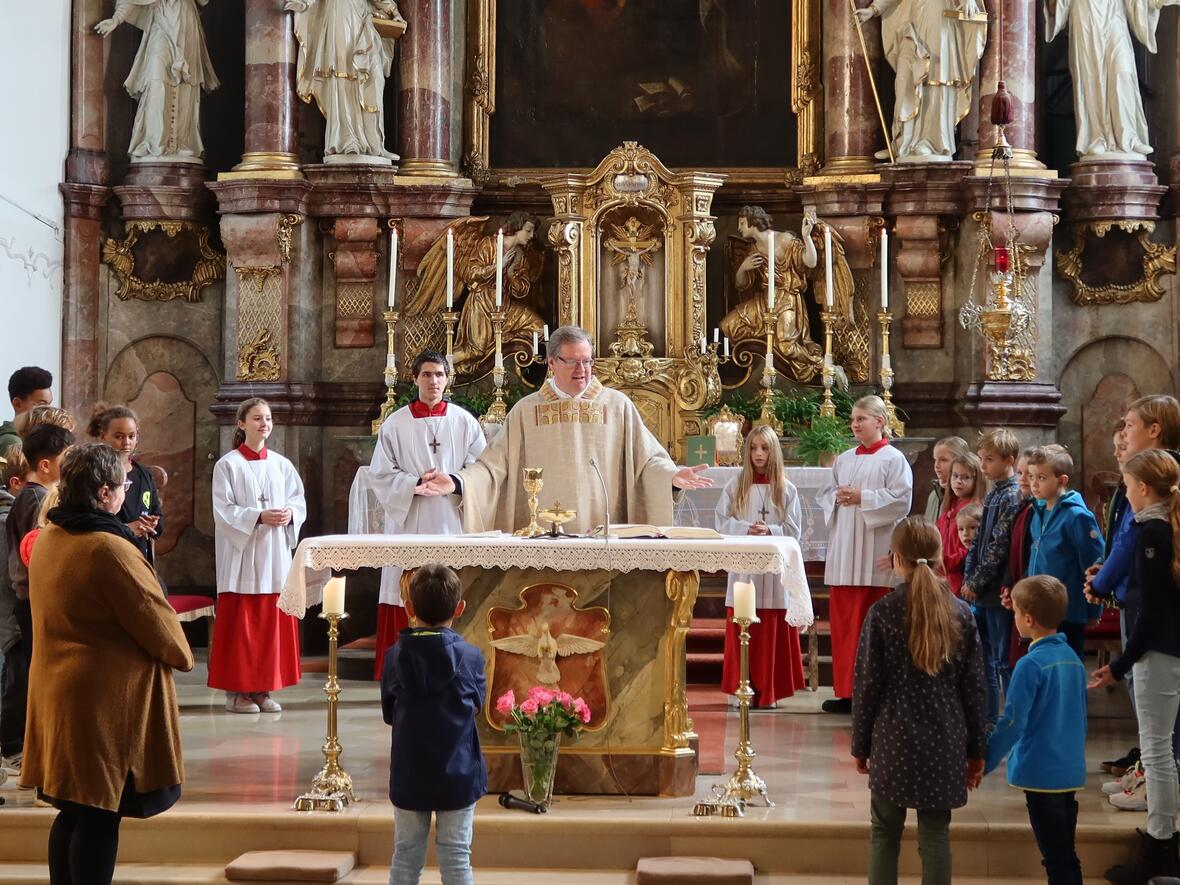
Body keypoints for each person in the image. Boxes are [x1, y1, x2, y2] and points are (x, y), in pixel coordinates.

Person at [18, 444, 191, 885]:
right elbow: (162, 630)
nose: (126, 492)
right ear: (103, 492)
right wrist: (182, 653)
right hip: (101, 704)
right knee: (98, 816)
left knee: (73, 812)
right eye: (122, 485)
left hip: (58, 691)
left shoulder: (52, 537)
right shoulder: (107, 548)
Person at [415, 326, 711, 534]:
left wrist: (671, 476)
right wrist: (456, 482)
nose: (582, 370)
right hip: (541, 535)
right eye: (573, 362)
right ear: (552, 363)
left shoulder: (617, 406)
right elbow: (493, 468)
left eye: (587, 361)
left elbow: (647, 461)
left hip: (603, 534)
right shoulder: (527, 410)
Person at [851, 517, 986, 885]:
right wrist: (977, 749)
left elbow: (867, 685)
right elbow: (975, 688)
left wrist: (860, 745)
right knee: (936, 837)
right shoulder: (961, 612)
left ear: (896, 559)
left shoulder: (883, 612)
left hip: (894, 738)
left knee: (884, 835)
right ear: (940, 555)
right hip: (944, 738)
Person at [1089, 449, 1180, 883]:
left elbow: (1151, 610)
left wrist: (1121, 663)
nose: (1125, 495)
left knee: (1158, 751)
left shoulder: (1152, 532)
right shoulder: (1167, 526)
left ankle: (1161, 846)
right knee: (1162, 749)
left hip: (1158, 651)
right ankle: (1164, 841)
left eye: (1126, 487)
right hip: (1167, 648)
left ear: (1143, 488)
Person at [369, 351, 485, 680]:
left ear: (448, 379)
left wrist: (455, 482)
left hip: (451, 520)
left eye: (439, 375)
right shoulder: (396, 423)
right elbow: (379, 473)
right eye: (426, 375)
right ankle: (401, 673)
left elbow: (483, 471)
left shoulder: (465, 422)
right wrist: (413, 483)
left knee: (451, 587)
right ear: (415, 378)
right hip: (409, 520)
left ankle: (455, 671)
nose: (433, 381)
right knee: (403, 588)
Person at [1088, 396, 1180, 780]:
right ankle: (1154, 765)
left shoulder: (1156, 480)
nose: (1124, 432)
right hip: (1137, 592)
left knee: (1157, 699)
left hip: (1150, 604)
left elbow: (1132, 538)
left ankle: (1159, 774)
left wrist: (1103, 582)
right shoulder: (1149, 473)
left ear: (1154, 428)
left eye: (1129, 425)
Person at [381, 564, 486, 885]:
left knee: (406, 854)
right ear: (460, 608)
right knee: (456, 856)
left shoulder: (393, 656)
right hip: (458, 773)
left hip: (411, 773)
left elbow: (389, 713)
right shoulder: (471, 657)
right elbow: (476, 707)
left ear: (409, 608)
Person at [986, 575, 1088, 885]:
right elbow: (1080, 717)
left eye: (1014, 612)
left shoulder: (1030, 665)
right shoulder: (1073, 659)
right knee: (1065, 853)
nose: (1013, 617)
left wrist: (983, 760)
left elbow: (1013, 723)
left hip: (1042, 774)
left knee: (1056, 857)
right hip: (1069, 771)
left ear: (1028, 619)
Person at [209, 398, 307, 714]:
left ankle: (263, 690)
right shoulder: (228, 465)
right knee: (243, 626)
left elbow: (298, 501)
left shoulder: (282, 464)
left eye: (267, 418)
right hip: (242, 557)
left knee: (269, 625)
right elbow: (223, 512)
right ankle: (239, 693)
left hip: (274, 554)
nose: (263, 424)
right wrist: (258, 516)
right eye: (256, 419)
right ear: (241, 424)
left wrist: (290, 514)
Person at [819, 394, 913, 714]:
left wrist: (863, 497)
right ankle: (846, 692)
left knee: (871, 626)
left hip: (875, 554)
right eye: (854, 419)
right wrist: (837, 498)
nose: (855, 424)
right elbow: (824, 496)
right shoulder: (844, 459)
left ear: (880, 422)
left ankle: (873, 694)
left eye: (861, 419)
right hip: (845, 554)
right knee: (845, 627)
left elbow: (902, 501)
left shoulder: (893, 459)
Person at [715, 425, 804, 708]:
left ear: (774, 451)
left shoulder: (786, 490)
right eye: (753, 448)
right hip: (744, 570)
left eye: (764, 448)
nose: (758, 454)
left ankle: (770, 691)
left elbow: (794, 530)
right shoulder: (736, 485)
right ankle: (741, 688)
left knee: (770, 631)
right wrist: (744, 528)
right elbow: (721, 521)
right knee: (743, 623)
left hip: (774, 573)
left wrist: (771, 531)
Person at [3, 423, 73, 770]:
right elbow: (36, 554)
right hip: (32, 599)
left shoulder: (35, 496)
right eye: (65, 458)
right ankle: (21, 748)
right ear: (45, 465)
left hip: (33, 598)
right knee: (31, 676)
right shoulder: (36, 499)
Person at [853, 0, 985, 162]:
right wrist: (873, 10)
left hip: (939, 18)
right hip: (912, 20)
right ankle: (902, 142)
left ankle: (932, 142)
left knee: (936, 78)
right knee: (905, 79)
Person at [95, 0, 220, 161]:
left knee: (185, 83)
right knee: (156, 81)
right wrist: (116, 19)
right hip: (160, 21)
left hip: (186, 21)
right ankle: (151, 142)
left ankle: (181, 143)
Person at [286, 0, 401, 162]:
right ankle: (346, 141)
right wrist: (303, 3)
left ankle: (375, 144)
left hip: (363, 18)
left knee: (373, 78)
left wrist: (394, 12)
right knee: (343, 76)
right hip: (340, 14)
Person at [718, 206, 824, 382]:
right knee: (728, 325)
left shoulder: (785, 239)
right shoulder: (752, 249)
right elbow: (741, 285)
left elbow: (811, 262)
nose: (739, 228)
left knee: (786, 347)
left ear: (753, 222)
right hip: (764, 302)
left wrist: (806, 236)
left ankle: (822, 365)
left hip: (786, 300)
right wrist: (743, 268)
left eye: (742, 223)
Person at [963, 428, 1023, 728]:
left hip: (995, 589)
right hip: (981, 588)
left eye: (989, 460)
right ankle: (987, 721)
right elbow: (977, 542)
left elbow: (999, 544)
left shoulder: (1012, 495)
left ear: (1009, 460)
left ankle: (1009, 723)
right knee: (984, 662)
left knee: (1002, 660)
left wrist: (977, 581)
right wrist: (969, 574)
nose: (983, 466)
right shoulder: (994, 493)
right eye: (981, 459)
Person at [1023, 447, 1104, 659]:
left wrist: (1094, 609)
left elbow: (1093, 563)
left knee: (1068, 663)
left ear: (1062, 480)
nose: (1034, 483)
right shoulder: (1037, 511)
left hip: (1068, 609)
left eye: (1041, 477)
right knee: (1045, 663)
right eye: (1031, 476)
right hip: (1039, 606)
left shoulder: (1077, 516)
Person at [88, 403, 164, 569]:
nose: (126, 442)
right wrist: (127, 529)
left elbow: (155, 512)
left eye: (131, 436)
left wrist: (152, 523)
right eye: (119, 436)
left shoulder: (144, 474)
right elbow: (91, 520)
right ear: (103, 436)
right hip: (109, 557)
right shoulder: (95, 474)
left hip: (139, 557)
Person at [937, 452, 985, 597]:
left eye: (965, 477)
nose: (958, 481)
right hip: (943, 577)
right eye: (955, 476)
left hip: (961, 578)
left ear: (976, 480)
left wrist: (946, 562)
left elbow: (970, 547)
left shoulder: (974, 508)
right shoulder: (948, 506)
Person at [0, 366, 53, 452]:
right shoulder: (12, 443)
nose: (49, 411)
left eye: (49, 404)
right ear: (17, 404)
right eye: (42, 404)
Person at [924, 436, 971, 524]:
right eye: (935, 459)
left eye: (943, 460)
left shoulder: (965, 495)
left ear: (960, 462)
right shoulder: (934, 495)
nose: (936, 465)